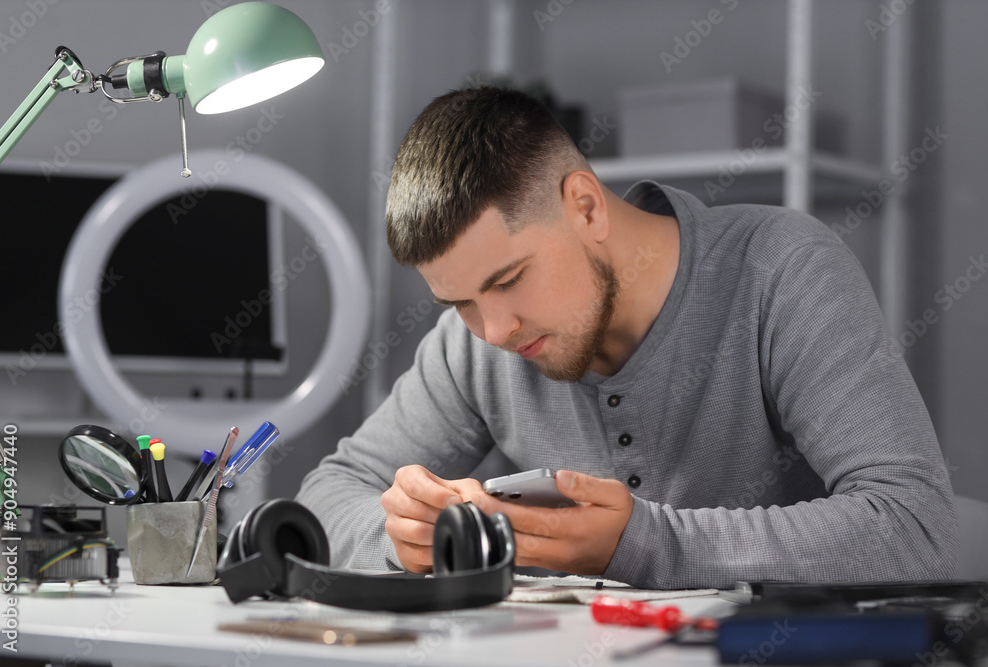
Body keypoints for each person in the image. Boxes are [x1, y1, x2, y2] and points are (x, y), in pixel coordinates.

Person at [296, 86, 958, 589]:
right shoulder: (471, 345)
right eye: (458, 300)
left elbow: (913, 524)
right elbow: (327, 495)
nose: (494, 329)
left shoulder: (781, 271)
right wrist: (397, 533)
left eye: (509, 278)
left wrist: (647, 540)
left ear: (585, 205)